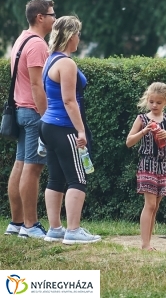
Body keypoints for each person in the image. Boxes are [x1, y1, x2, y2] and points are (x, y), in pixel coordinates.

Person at [39, 16, 100, 245]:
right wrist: (81, 131)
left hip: (48, 126)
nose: (79, 39)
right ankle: (73, 231)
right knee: (77, 178)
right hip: (64, 127)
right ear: (70, 35)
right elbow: (69, 100)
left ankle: (55, 229)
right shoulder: (67, 63)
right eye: (78, 34)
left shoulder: (51, 60)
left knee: (55, 178)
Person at [6, 0, 55, 239]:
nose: (55, 19)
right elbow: (37, 85)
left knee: (20, 164)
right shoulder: (37, 45)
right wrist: (46, 117)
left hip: (20, 110)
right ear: (40, 17)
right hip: (34, 112)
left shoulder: (21, 39)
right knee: (33, 169)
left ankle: (16, 223)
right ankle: (30, 225)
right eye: (52, 15)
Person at [125, 82, 166, 251]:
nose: (154, 105)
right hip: (148, 164)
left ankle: (148, 242)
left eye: (158, 102)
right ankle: (145, 244)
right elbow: (129, 142)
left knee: (155, 206)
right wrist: (143, 132)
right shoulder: (142, 119)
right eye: (151, 102)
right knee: (149, 205)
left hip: (164, 165)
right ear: (147, 100)